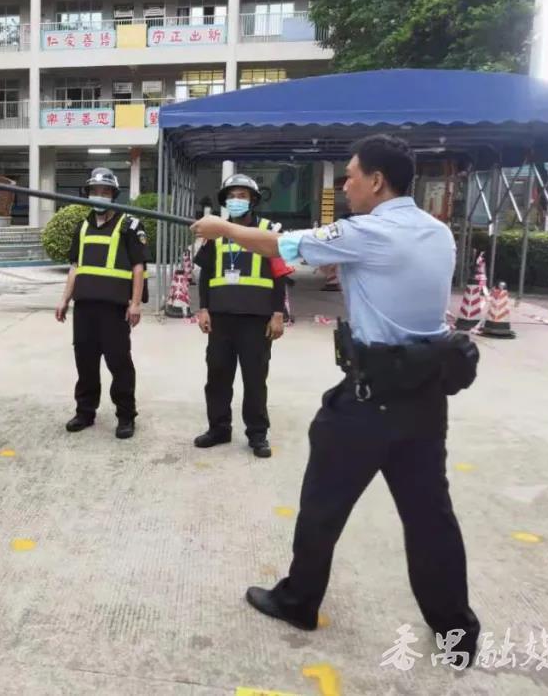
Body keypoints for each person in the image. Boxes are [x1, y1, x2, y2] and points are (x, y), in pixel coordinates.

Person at [191, 135, 481, 662]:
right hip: (424, 399)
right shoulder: (438, 234)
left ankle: (300, 600)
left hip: (369, 401)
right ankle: (456, 633)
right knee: (431, 518)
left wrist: (222, 229)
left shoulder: (366, 232)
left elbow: (281, 247)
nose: (344, 185)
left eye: (349, 176)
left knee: (322, 508)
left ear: (376, 181)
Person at [193, 174, 286, 458]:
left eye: (243, 195)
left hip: (257, 321)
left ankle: (257, 435)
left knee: (255, 379)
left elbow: (280, 274)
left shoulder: (269, 231)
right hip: (221, 319)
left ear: (253, 200)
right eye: (232, 195)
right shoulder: (215, 233)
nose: (236, 200)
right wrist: (203, 308)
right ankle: (219, 428)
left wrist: (278, 313)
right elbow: (206, 274)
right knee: (218, 376)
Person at [55, 167, 148, 440]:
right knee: (85, 362)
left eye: (105, 192)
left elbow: (139, 267)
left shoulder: (129, 225)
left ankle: (126, 416)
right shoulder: (82, 227)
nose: (99, 196)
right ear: (87, 194)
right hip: (84, 308)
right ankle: (85, 412)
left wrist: (135, 303)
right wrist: (64, 300)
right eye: (95, 191)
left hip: (114, 309)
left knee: (119, 363)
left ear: (113, 195)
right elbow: (75, 268)